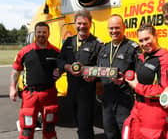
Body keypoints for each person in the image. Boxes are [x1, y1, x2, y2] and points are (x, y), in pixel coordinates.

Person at [9, 21, 60, 139]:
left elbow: (62, 67)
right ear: (35, 33)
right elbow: (16, 70)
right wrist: (12, 88)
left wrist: (59, 70)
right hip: (30, 95)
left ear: (49, 33)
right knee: (27, 128)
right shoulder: (24, 52)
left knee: (49, 127)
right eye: (39, 32)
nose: (41, 34)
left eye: (44, 32)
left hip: (49, 94)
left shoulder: (56, 52)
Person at [57, 9, 102, 139]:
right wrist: (67, 67)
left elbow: (101, 65)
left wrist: (92, 74)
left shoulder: (97, 44)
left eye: (84, 23)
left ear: (90, 23)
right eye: (79, 23)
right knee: (77, 122)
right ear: (75, 24)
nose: (82, 26)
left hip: (87, 91)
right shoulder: (69, 42)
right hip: (71, 90)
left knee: (85, 125)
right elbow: (60, 59)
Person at [97, 14, 141, 139]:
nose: (114, 31)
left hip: (124, 100)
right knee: (109, 133)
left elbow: (139, 75)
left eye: (117, 28)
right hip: (107, 99)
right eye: (111, 28)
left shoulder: (133, 48)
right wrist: (92, 77)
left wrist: (125, 81)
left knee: (126, 133)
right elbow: (99, 69)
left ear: (124, 28)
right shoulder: (104, 48)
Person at [122, 24, 168, 139]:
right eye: (141, 40)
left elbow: (163, 90)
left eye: (147, 38)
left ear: (155, 36)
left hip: (154, 112)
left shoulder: (163, 58)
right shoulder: (142, 57)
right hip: (137, 107)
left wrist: (137, 86)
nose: (144, 43)